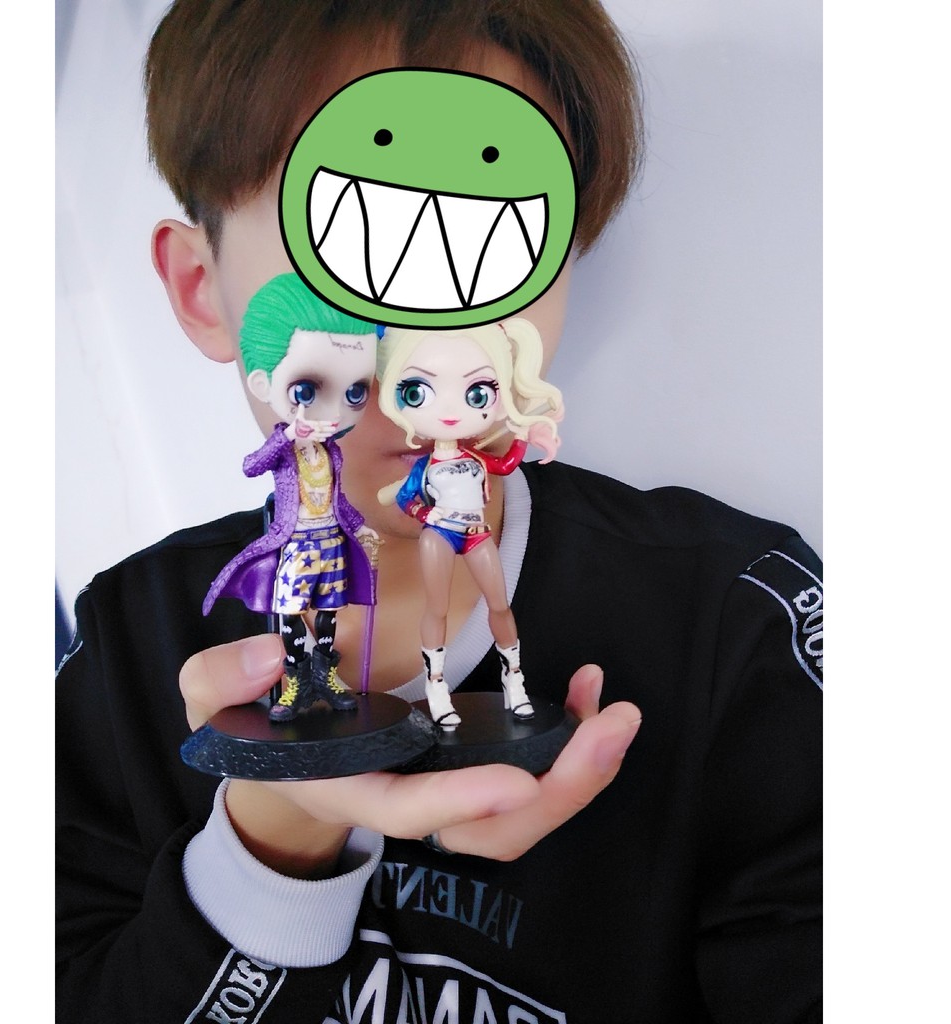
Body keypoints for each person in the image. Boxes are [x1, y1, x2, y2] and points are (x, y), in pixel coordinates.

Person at [56, 2, 822, 1022]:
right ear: (204, 288)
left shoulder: (741, 628)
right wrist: (273, 829)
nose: (424, 343)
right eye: (356, 245)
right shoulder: (125, 645)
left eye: (489, 254)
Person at [201, 273, 380, 720]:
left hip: (331, 540)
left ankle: (326, 673)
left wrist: (360, 526)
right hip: (296, 543)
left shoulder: (332, 451)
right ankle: (296, 677)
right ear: (264, 385)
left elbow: (336, 499)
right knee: (290, 611)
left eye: (354, 391)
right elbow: (251, 465)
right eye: (306, 390)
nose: (333, 409)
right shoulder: (284, 447)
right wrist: (287, 436)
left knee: (330, 611)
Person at [376, 321, 563, 727]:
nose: (449, 412)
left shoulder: (477, 457)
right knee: (437, 607)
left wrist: (525, 431)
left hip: (476, 533)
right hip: (440, 535)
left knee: (498, 603)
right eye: (417, 392)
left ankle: (514, 680)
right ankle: (437, 686)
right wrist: (428, 515)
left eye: (477, 392)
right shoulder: (425, 466)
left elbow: (507, 464)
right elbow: (406, 499)